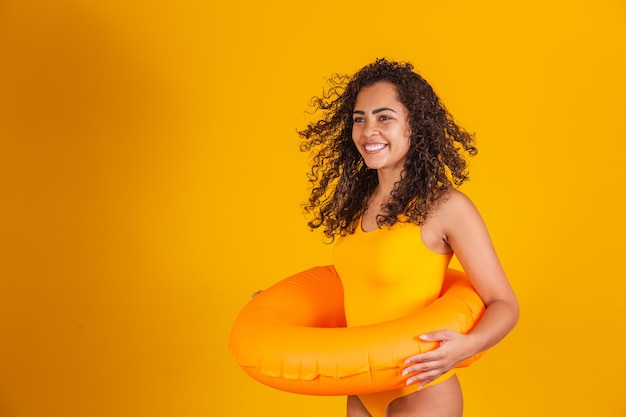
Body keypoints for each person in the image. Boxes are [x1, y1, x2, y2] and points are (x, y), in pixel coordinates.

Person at [297, 58, 519, 417]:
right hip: (362, 388)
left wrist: (466, 346)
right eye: (359, 119)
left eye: (384, 117)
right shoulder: (357, 206)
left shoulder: (445, 206)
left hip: (420, 389)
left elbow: (505, 304)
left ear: (414, 125)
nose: (369, 130)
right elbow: (360, 292)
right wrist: (285, 313)